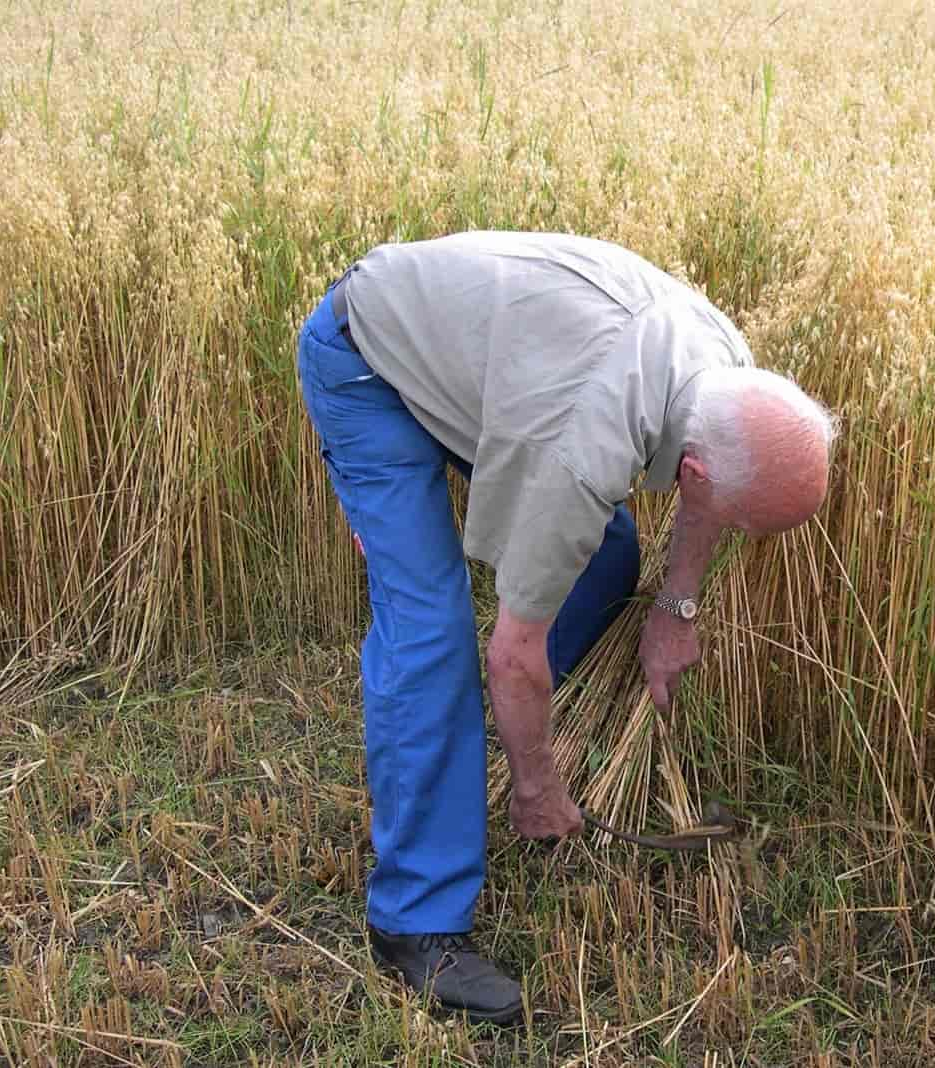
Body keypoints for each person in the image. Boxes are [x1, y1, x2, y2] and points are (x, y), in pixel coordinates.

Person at [296, 231, 836, 1023]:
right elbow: (513, 654)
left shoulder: (729, 369)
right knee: (431, 635)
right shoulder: (583, 454)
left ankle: (473, 746)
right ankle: (416, 922)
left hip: (487, 370)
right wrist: (536, 786)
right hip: (367, 359)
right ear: (699, 466)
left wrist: (674, 607)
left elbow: (704, 492)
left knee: (608, 554)